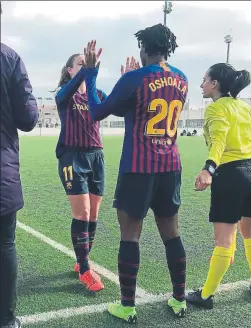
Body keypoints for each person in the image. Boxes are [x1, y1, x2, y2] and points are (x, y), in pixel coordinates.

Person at [83, 23, 189, 323]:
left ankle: (127, 306)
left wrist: (91, 74)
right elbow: (133, 108)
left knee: (130, 236)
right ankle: (179, 299)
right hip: (170, 166)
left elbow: (97, 111)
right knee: (172, 234)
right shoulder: (181, 78)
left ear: (144, 48)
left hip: (138, 168)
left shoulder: (137, 77)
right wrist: (125, 83)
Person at [185, 63, 251, 309]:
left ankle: (206, 295)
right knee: (250, 231)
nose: (201, 85)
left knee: (224, 241)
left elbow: (218, 141)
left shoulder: (216, 109)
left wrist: (208, 169)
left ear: (215, 85)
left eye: (204, 80)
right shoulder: (246, 108)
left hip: (232, 175)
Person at [54, 49, 106, 293]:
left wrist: (130, 77)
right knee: (82, 213)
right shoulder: (65, 96)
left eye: (88, 64)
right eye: (80, 64)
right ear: (70, 70)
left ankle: (81, 261)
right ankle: (85, 269)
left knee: (94, 214)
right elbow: (68, 89)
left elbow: (117, 101)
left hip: (96, 156)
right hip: (72, 157)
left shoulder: (96, 94)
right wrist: (88, 70)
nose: (85, 67)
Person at [0, 3, 39, 328]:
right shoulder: (9, 59)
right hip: (2, 175)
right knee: (4, 245)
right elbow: (28, 119)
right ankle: (7, 319)